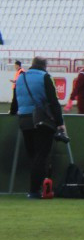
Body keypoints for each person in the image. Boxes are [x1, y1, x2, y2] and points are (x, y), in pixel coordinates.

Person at [10, 56, 67, 199]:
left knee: (33, 156)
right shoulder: (46, 77)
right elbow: (54, 102)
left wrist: (13, 112)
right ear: (44, 66)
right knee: (41, 156)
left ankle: (38, 188)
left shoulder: (21, 77)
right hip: (41, 121)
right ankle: (35, 190)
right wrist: (60, 123)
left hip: (24, 120)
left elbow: (15, 100)